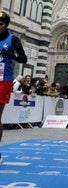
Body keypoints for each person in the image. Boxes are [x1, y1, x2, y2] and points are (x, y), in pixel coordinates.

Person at [0, 11, 27, 163]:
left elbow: (23, 58)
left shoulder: (13, 39)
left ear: (6, 25)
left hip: (4, 80)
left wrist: (10, 55)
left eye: (1, 24)